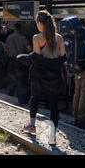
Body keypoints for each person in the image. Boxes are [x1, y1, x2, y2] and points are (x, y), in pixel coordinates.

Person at [24, 10, 66, 146]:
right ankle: (52, 136)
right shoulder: (59, 37)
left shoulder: (36, 38)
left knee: (34, 99)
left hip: (39, 77)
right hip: (54, 77)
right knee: (54, 105)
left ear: (40, 23)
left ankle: (31, 125)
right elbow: (63, 57)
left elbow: (37, 59)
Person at [5, 23, 32, 104]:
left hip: (11, 61)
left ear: (14, 29)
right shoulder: (23, 38)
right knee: (21, 80)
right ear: (20, 29)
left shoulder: (9, 38)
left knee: (11, 79)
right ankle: (20, 97)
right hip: (21, 62)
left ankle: (10, 95)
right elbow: (29, 49)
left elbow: (5, 50)